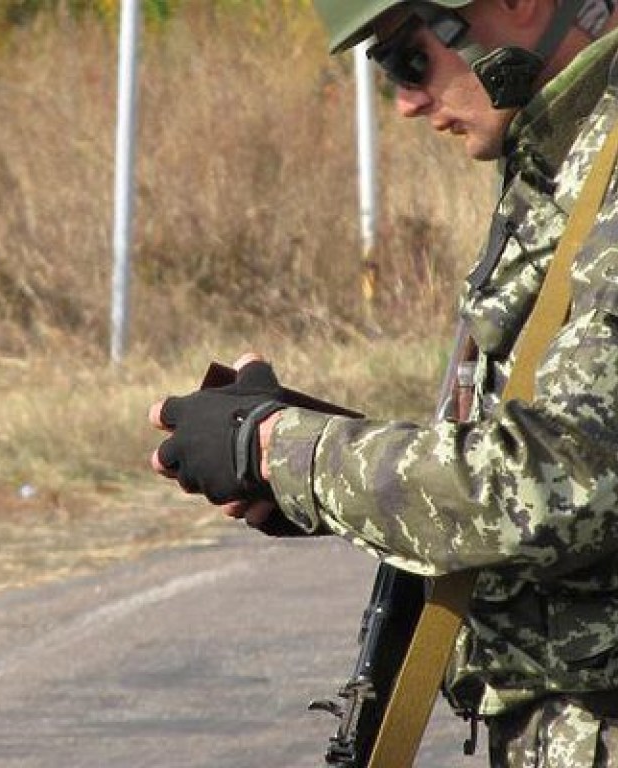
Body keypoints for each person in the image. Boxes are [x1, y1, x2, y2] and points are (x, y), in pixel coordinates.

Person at [148, 0, 618, 764]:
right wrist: (314, 457)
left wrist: (286, 452)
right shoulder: (566, 161)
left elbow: (557, 484)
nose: (405, 102)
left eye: (408, 57)